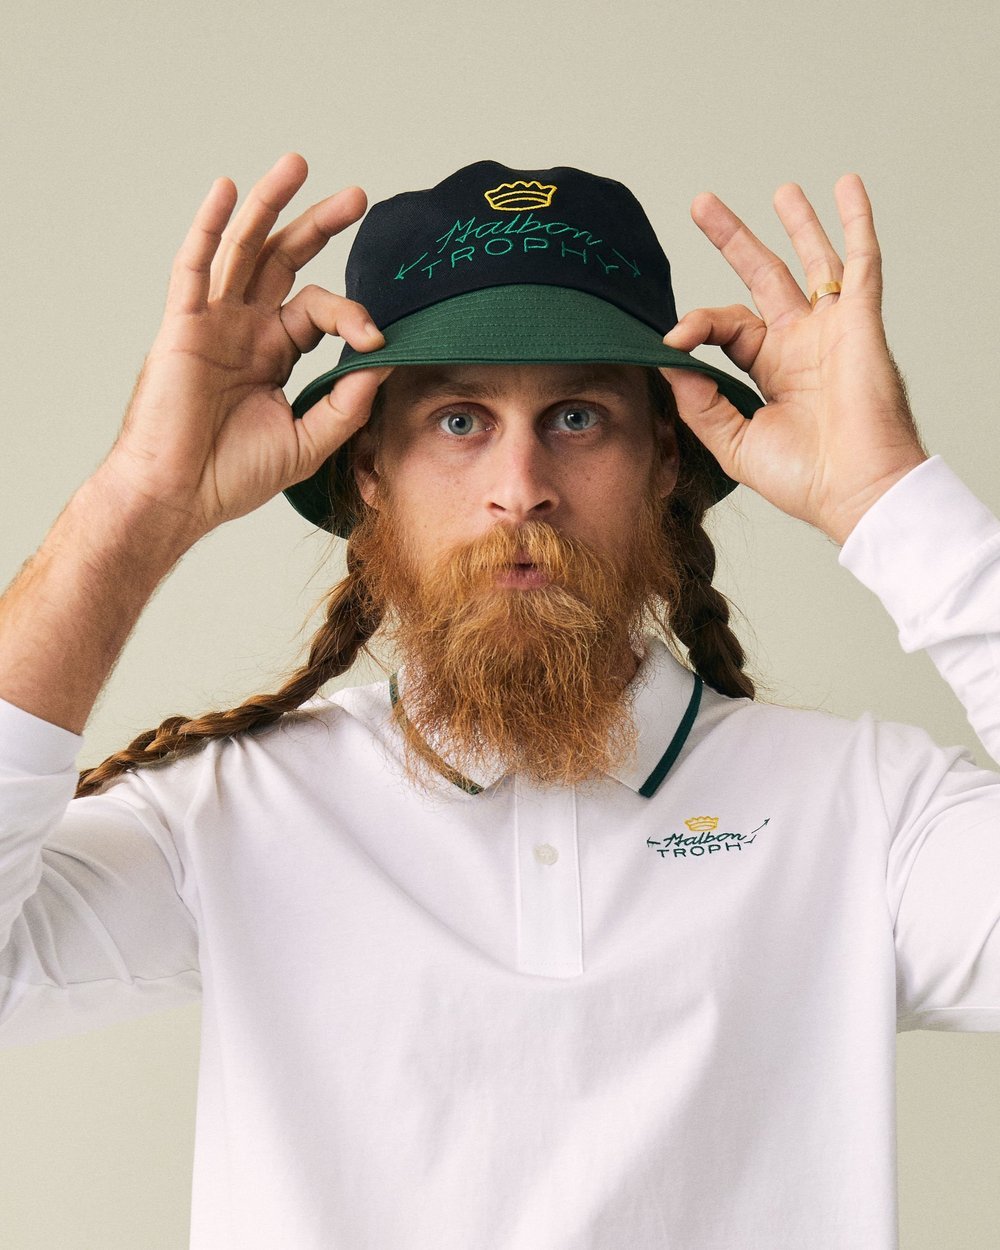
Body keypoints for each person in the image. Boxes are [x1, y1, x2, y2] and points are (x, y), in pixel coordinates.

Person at [0, 154, 996, 1249]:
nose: (519, 486)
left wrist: (886, 495)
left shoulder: (863, 808)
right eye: (459, 421)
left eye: (575, 417)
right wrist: (140, 497)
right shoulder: (231, 814)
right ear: (366, 466)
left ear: (667, 455)